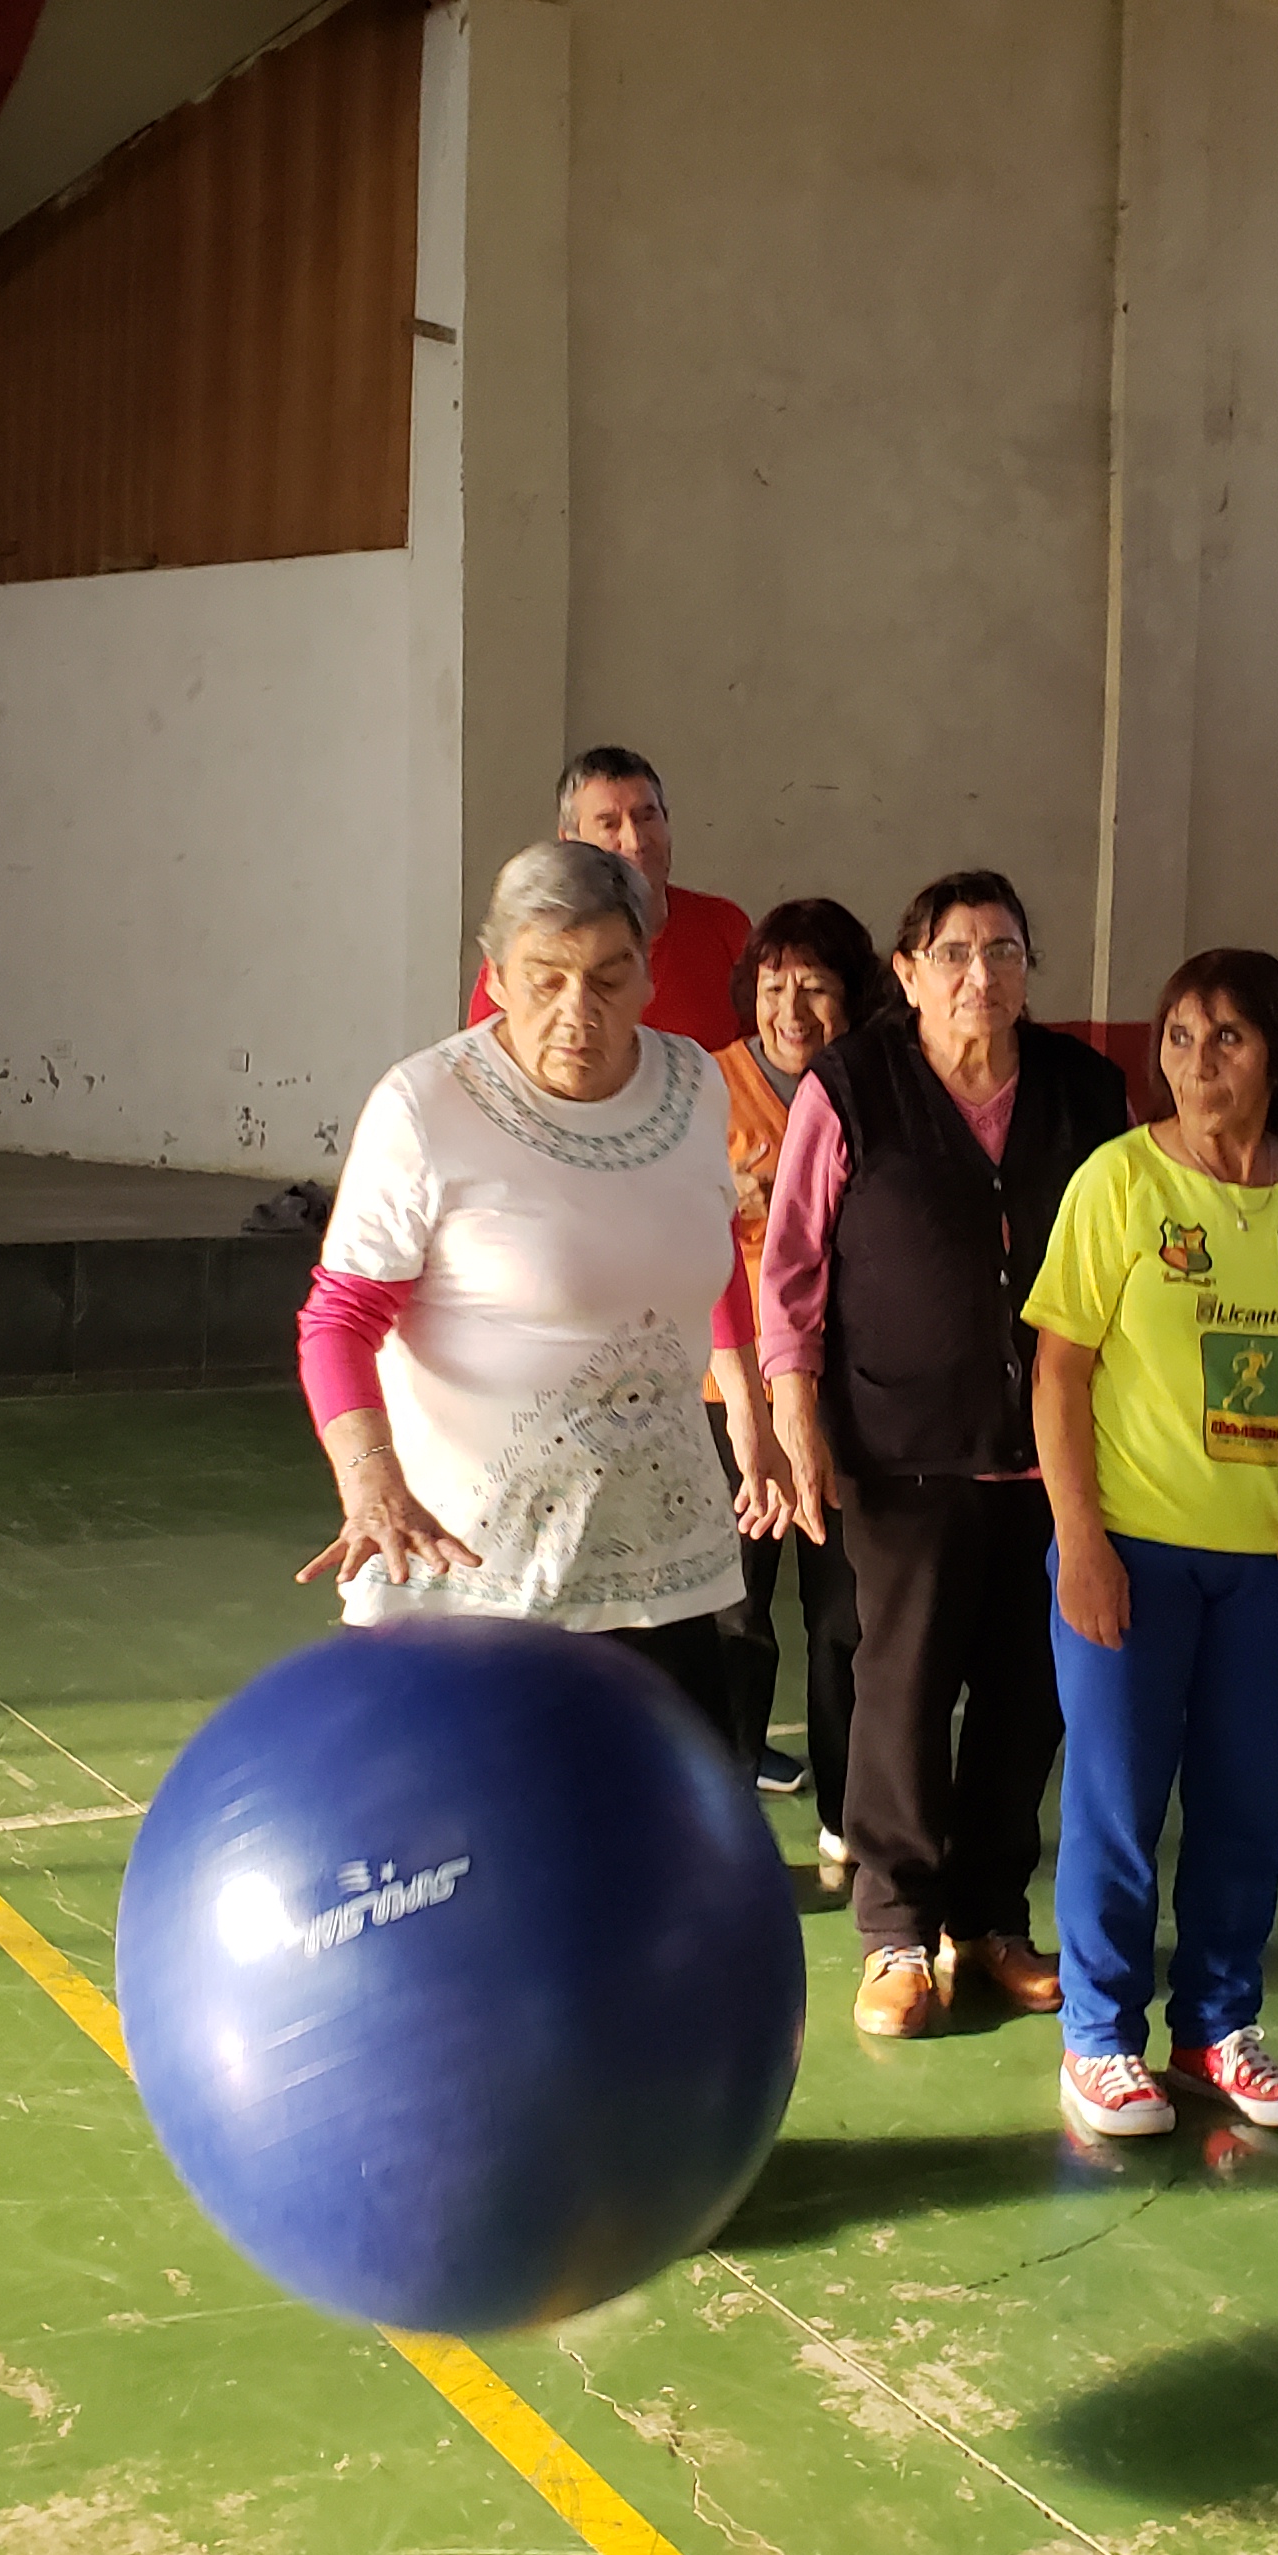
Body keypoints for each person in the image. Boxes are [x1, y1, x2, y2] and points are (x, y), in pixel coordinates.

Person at [1029, 950, 1278, 2143]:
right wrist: (1080, 1539)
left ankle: (1215, 2030)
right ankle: (1099, 2039)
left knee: (1248, 1809)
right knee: (1116, 1805)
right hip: (1132, 1554)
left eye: (1228, 1037)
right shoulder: (1117, 1182)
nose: (1198, 1062)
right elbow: (1059, 1373)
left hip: (1273, 1572)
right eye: (1181, 1036)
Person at [760, 869, 1132, 2038]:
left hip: (1056, 1457)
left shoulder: (1083, 1089)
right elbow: (792, 1268)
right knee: (904, 1690)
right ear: (909, 973)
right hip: (901, 1451)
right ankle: (895, 1930)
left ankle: (990, 1918)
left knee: (1031, 1698)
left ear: (1029, 970)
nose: (982, 975)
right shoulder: (852, 1086)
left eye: (1004, 951)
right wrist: (794, 1418)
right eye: (956, 953)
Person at [297, 841, 781, 1730]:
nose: (577, 1011)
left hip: (661, 1573)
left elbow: (701, 1239)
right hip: (474, 1578)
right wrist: (371, 1483)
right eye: (545, 979)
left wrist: (751, 1413)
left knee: (668, 1808)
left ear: (648, 973)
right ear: (496, 976)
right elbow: (339, 1320)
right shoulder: (426, 1106)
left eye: (609, 978)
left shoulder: (694, 1084)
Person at [713, 899, 890, 1864]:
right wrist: (721, 1199)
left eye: (815, 986)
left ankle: (846, 1809)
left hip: (840, 1396)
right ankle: (723, 1807)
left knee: (843, 1614)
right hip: (728, 1398)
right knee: (734, 1608)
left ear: (853, 994)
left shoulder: (877, 1085)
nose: (792, 1008)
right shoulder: (708, 1088)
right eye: (774, 985)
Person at [465, 748, 755, 1051]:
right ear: (570, 841)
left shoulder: (724, 925)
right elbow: (488, 1064)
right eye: (609, 823)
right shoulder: (527, 948)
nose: (635, 841)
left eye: (647, 817)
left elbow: (760, 1058)